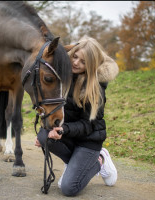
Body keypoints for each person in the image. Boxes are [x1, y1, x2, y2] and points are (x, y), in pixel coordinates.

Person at [35, 36, 119, 196]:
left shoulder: (95, 88)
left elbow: (88, 125)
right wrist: (45, 132)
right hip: (70, 136)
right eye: (75, 57)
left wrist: (63, 130)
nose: (76, 63)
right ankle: (74, 164)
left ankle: (100, 160)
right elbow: (54, 107)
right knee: (44, 135)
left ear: (91, 65)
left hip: (88, 141)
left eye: (83, 62)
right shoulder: (61, 76)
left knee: (68, 188)